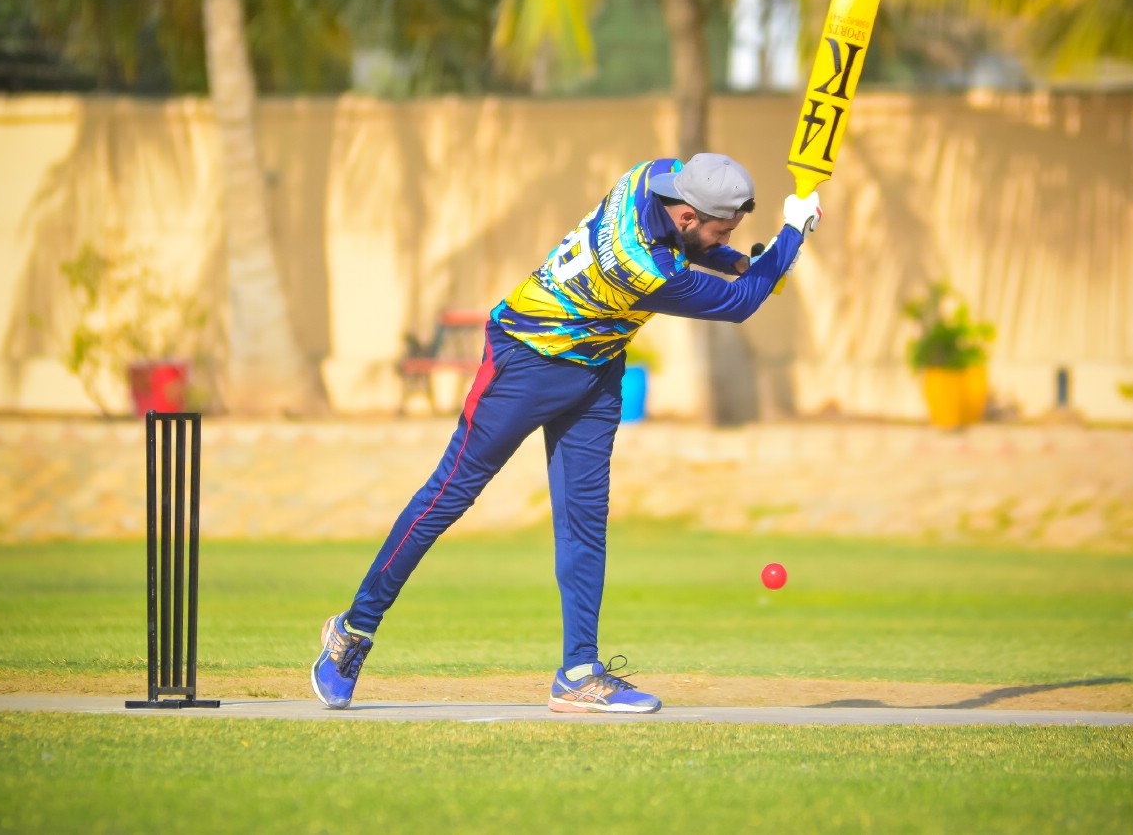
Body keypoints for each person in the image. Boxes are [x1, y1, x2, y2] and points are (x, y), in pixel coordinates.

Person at [311, 153, 822, 713]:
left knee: (584, 522)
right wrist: (791, 235)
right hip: (525, 362)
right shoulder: (641, 266)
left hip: (596, 372)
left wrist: (743, 259)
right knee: (448, 496)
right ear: (687, 216)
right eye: (723, 231)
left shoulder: (652, 175)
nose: (727, 239)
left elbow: (704, 250)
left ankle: (578, 673)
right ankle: (351, 632)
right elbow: (742, 304)